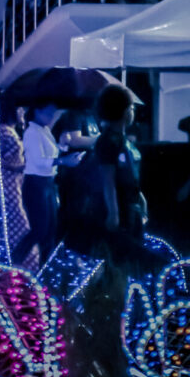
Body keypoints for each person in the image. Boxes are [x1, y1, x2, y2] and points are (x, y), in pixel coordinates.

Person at [90, 85, 148, 264]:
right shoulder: (107, 141)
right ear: (123, 111)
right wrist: (113, 213)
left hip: (131, 205)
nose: (133, 112)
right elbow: (108, 180)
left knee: (132, 254)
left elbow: (131, 174)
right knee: (120, 257)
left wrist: (141, 199)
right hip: (121, 207)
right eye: (131, 108)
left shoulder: (121, 139)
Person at [20, 101, 80, 262]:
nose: (51, 117)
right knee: (39, 230)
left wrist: (62, 145)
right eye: (48, 113)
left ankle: (44, 266)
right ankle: (15, 260)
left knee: (51, 230)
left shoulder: (45, 130)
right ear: (37, 111)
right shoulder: (31, 132)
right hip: (36, 183)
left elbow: (50, 153)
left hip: (48, 183)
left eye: (53, 113)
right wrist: (63, 161)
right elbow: (39, 161)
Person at [0, 101, 35, 268]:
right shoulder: (3, 131)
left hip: (15, 182)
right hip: (7, 183)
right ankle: (20, 263)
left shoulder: (11, 130)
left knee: (17, 224)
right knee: (19, 224)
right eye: (20, 109)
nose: (23, 112)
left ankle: (20, 263)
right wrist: (20, 166)